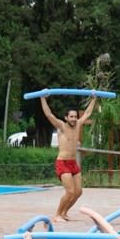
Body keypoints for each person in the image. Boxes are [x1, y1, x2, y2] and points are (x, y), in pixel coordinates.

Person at [39, 93, 98, 222]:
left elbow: (87, 113)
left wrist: (94, 99)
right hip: (63, 162)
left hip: (73, 163)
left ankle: (64, 213)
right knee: (70, 191)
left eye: (75, 116)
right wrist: (43, 98)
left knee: (78, 192)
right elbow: (49, 114)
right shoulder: (61, 126)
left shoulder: (78, 125)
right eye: (71, 116)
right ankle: (57, 215)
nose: (73, 119)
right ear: (66, 117)